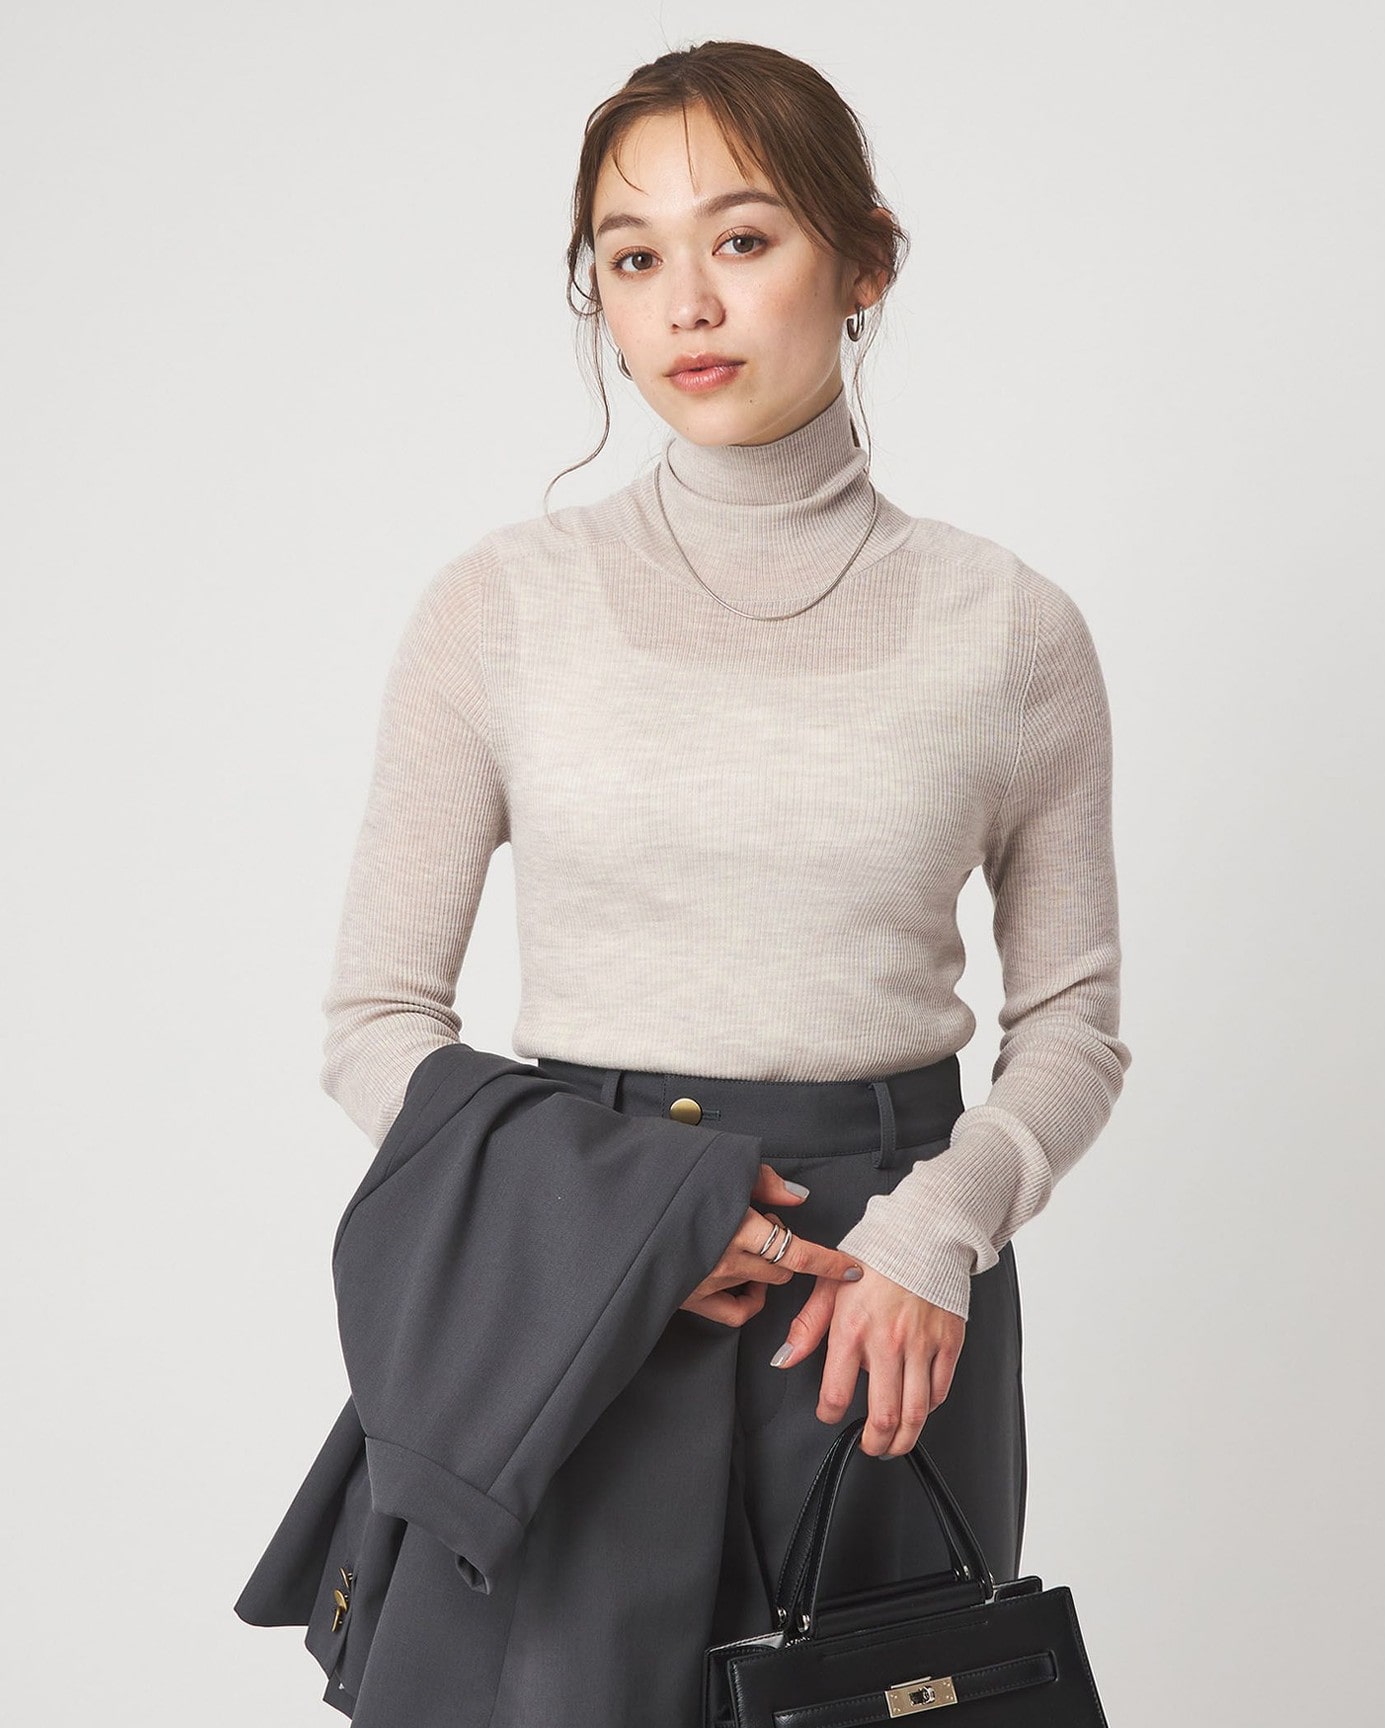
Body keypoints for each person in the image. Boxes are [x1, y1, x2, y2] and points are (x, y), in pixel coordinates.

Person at [317, 37, 1131, 1708]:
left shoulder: (1012, 627)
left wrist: (941, 1233)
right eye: (633, 259)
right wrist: (615, 1223)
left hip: (879, 1315)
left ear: (865, 261)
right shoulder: (502, 607)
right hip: (581, 1283)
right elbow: (373, 1020)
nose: (687, 304)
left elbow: (1074, 1025)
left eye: (743, 240)